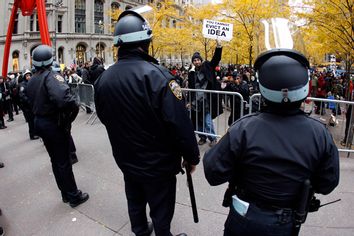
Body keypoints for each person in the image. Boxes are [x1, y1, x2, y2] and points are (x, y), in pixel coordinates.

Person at [203, 49, 340, 236]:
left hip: (244, 217)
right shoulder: (320, 134)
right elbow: (328, 183)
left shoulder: (243, 128)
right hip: (286, 222)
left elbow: (213, 172)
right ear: (304, 87)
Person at [94, 10, 200, 236]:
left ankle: (140, 231)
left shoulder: (103, 79)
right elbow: (180, 124)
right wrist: (191, 157)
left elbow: (104, 117)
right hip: (158, 164)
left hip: (126, 158)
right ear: (145, 43)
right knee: (161, 209)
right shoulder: (159, 77)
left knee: (135, 200)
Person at [26, 44, 89, 207]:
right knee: (64, 161)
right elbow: (65, 100)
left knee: (55, 161)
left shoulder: (32, 80)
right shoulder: (51, 77)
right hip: (54, 124)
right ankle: (73, 196)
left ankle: (65, 193)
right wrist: (72, 110)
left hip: (41, 123)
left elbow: (27, 100)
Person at [188, 42, 223, 147]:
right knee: (197, 122)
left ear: (201, 60)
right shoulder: (191, 73)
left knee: (207, 122)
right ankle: (202, 137)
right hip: (195, 101)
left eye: (198, 59)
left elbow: (216, 59)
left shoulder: (207, 66)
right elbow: (190, 88)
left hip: (206, 100)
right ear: (193, 62)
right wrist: (189, 101)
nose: (196, 61)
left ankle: (212, 138)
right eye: (194, 60)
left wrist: (218, 47)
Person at [18, 70, 39, 140]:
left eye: (29, 75)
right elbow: (22, 94)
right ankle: (32, 135)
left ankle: (37, 132)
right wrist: (28, 101)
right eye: (27, 76)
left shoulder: (32, 82)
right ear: (24, 77)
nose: (28, 77)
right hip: (27, 105)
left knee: (35, 119)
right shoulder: (23, 84)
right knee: (31, 120)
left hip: (34, 104)